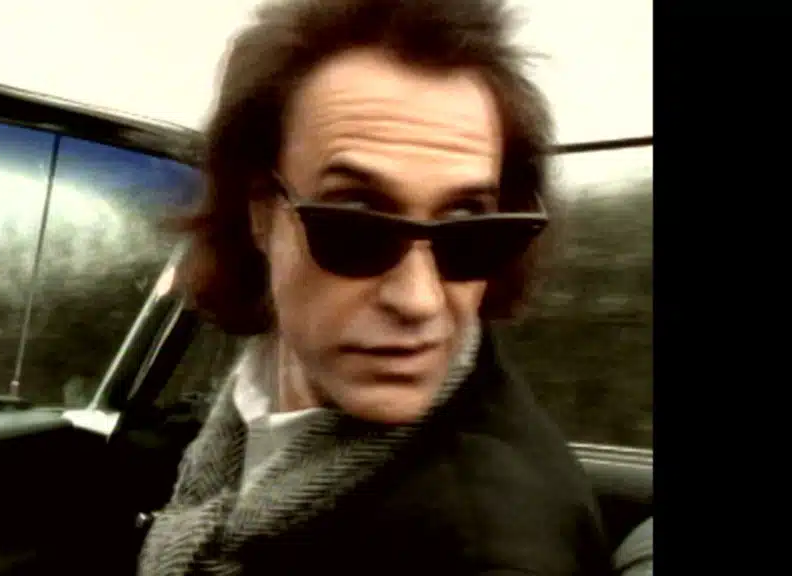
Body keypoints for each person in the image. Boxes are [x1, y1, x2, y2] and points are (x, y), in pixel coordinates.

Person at [138, 0, 614, 574]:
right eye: (355, 224)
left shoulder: (486, 545)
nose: (419, 301)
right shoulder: (240, 414)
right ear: (261, 213)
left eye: (468, 229)